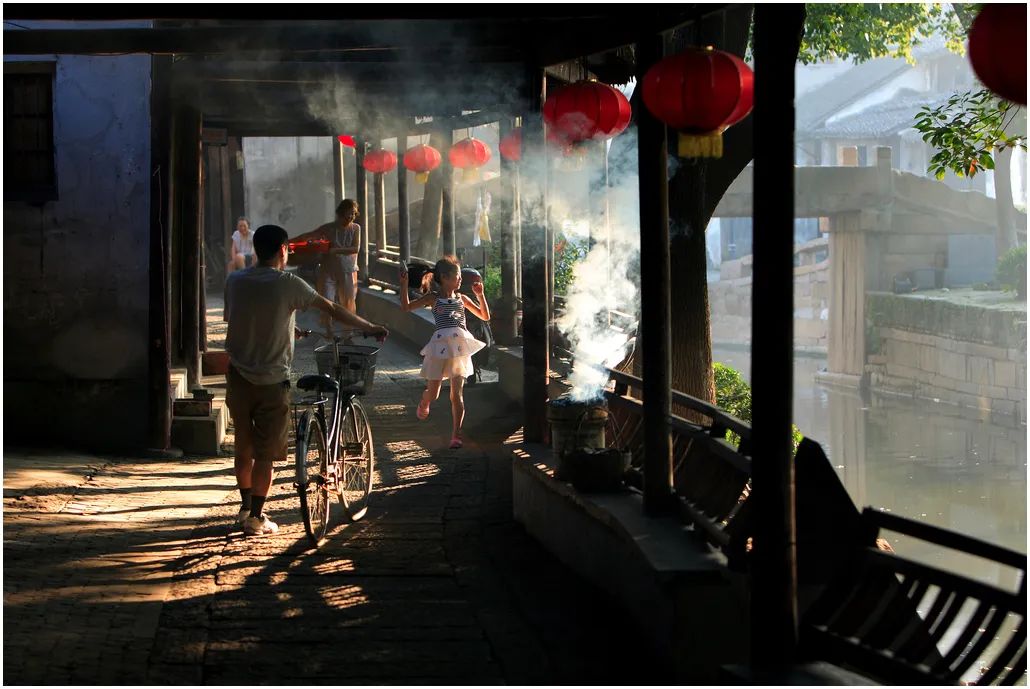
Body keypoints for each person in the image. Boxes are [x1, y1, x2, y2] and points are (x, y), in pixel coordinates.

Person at [224, 224, 388, 537]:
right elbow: (333, 308)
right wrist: (369, 325)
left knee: (243, 445)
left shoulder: (235, 280)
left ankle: (244, 508)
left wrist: (285, 329)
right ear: (283, 250)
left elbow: (242, 318)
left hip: (238, 376)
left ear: (256, 249)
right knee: (266, 453)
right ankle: (256, 517)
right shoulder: (289, 283)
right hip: (272, 380)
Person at [399, 255, 491, 449]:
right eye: (457, 276)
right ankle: (425, 402)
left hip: (459, 348)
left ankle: (455, 435)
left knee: (457, 395)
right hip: (439, 347)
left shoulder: (462, 299)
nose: (460, 280)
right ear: (445, 277)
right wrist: (404, 284)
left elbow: (485, 315)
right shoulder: (434, 298)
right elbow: (406, 307)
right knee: (434, 392)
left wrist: (480, 295)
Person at [291, 200, 362, 338]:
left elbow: (356, 248)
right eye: (349, 213)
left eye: (354, 213)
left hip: (348, 270)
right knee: (326, 300)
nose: (351, 216)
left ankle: (348, 334)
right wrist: (290, 242)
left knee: (348, 301)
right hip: (328, 269)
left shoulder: (356, 228)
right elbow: (309, 235)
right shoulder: (329, 228)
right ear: (341, 213)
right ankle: (329, 330)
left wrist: (334, 250)